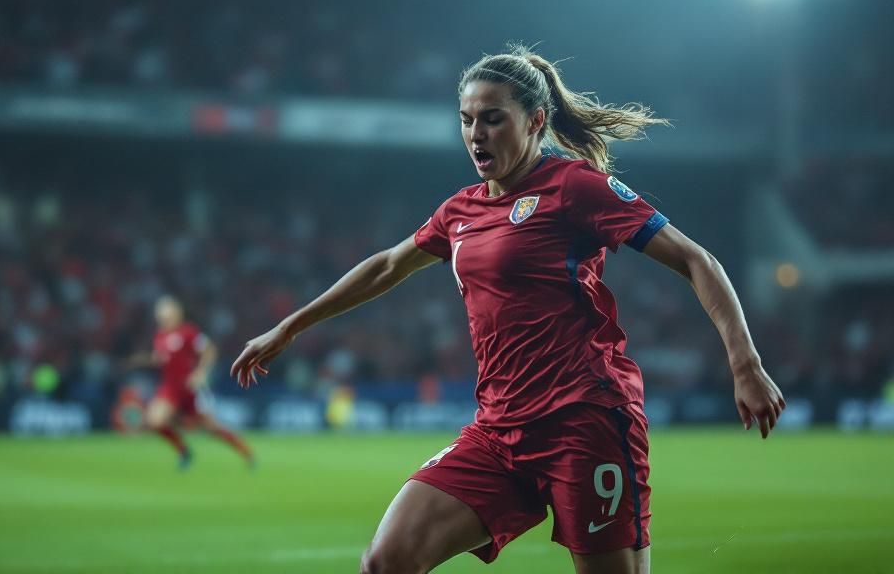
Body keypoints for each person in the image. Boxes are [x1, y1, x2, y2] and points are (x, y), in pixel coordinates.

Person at [231, 44, 785, 574]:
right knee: (385, 563)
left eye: (493, 119)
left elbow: (695, 259)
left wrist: (745, 364)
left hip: (584, 421)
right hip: (498, 431)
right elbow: (387, 266)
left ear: (535, 121)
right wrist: (289, 327)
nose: (476, 133)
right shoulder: (460, 210)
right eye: (467, 120)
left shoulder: (575, 187)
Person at [134, 295, 254, 470]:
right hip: (170, 389)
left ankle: (246, 452)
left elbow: (210, 350)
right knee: (155, 421)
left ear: (177, 312)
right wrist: (146, 360)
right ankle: (184, 451)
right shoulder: (159, 336)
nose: (163, 315)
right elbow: (163, 358)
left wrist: (201, 372)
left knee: (212, 428)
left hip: (191, 388)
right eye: (160, 312)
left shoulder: (188, 332)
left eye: (167, 311)